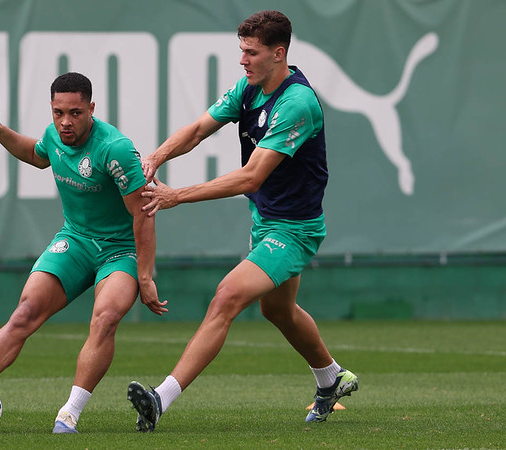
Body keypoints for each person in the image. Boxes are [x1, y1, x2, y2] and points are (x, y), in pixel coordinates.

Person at [127, 10, 357, 431]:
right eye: (241, 51)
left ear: (278, 52)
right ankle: (331, 378)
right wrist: (157, 156)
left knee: (226, 297)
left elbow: (252, 175)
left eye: (251, 52)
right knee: (279, 311)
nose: (243, 60)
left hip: (295, 229)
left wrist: (177, 194)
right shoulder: (248, 88)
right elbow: (198, 129)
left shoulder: (297, 103)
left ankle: (161, 399)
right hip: (266, 220)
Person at [0, 72, 169, 434]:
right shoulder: (53, 136)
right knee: (25, 312)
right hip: (75, 239)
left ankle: (69, 413)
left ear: (91, 108)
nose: (65, 122)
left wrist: (145, 276)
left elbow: (143, 212)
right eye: (58, 112)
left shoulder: (115, 148)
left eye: (74, 113)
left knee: (105, 319)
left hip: (120, 251)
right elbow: (34, 154)